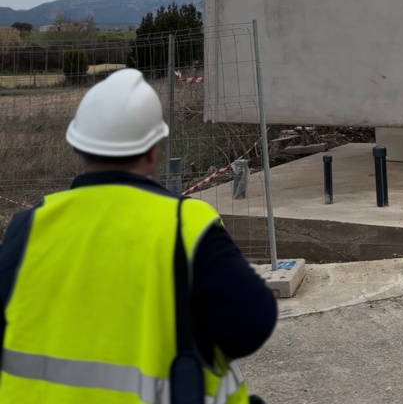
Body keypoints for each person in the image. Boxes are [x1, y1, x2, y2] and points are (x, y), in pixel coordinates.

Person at [0, 68, 277, 403]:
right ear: (152, 152)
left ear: (77, 149)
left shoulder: (29, 228)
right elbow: (252, 326)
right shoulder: (185, 225)